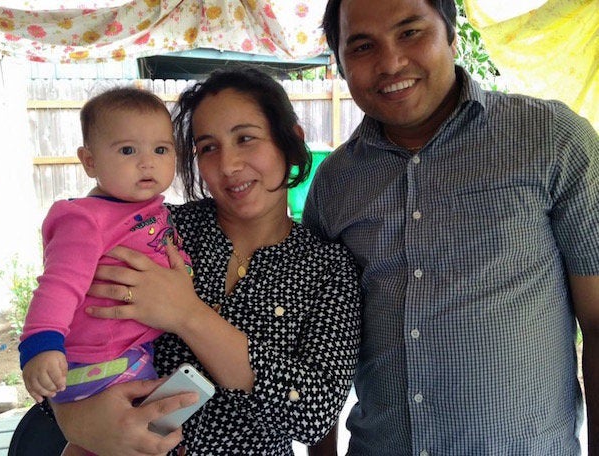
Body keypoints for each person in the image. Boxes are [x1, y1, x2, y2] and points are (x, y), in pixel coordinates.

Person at [302, 0, 599, 455]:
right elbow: (318, 347)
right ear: (340, 64)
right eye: (362, 46)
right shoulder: (335, 183)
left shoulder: (551, 140)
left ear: (452, 35)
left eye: (410, 32)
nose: (391, 62)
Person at [47, 66, 362, 455]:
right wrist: (81, 422)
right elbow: (63, 335)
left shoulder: (327, 269)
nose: (228, 166)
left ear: (290, 140)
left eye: (245, 138)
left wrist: (187, 315)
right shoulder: (156, 232)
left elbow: (316, 411)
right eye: (208, 147)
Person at [20, 87, 193, 455]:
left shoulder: (151, 210)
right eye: (128, 150)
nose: (147, 162)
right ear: (90, 161)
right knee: (132, 442)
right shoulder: (85, 220)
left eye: (160, 150)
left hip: (129, 352)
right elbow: (60, 283)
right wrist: (40, 342)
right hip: (102, 358)